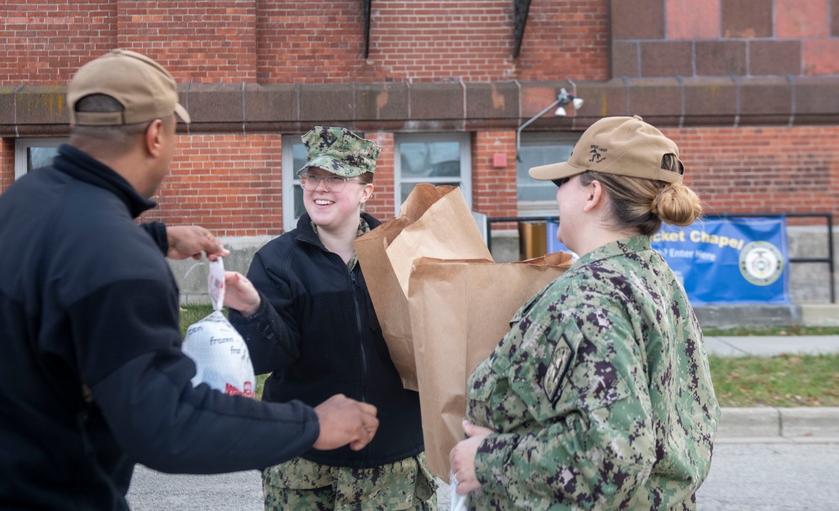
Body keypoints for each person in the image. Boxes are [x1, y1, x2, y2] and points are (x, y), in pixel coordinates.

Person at [0, 49, 379, 510]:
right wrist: (310, 423)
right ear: (154, 135)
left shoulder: (23, 201)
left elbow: (62, 267)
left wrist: (157, 238)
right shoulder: (115, 256)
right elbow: (166, 422)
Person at [448, 115, 720, 510]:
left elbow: (615, 452)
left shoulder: (591, 297)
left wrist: (487, 461)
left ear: (592, 194)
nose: (557, 195)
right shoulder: (651, 273)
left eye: (564, 182)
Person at [223, 126, 437, 510]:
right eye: (313, 177)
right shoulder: (276, 263)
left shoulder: (402, 251)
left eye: (336, 178)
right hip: (307, 467)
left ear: (365, 191)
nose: (319, 188)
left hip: (397, 462)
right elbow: (262, 360)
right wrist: (254, 311)